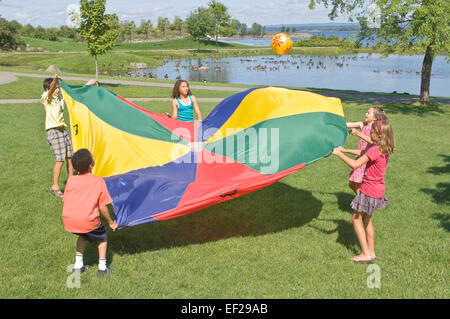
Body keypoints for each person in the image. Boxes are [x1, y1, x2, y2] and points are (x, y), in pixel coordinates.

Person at [332, 119, 395, 263]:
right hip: (378, 189)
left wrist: (338, 153)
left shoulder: (374, 149)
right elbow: (363, 152)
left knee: (355, 218)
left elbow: (355, 164)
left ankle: (365, 253)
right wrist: (346, 150)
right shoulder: (383, 148)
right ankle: (371, 253)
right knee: (366, 219)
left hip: (369, 189)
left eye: (372, 132)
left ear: (379, 135)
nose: (370, 134)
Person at [62, 148, 118, 276]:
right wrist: (110, 222)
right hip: (87, 220)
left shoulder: (71, 180)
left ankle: (78, 265)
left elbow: (65, 200)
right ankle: (103, 268)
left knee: (82, 236)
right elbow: (103, 207)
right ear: (91, 165)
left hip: (69, 220)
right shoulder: (98, 181)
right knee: (102, 238)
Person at [42, 74, 96, 197]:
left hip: (62, 130)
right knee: (60, 159)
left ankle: (71, 184)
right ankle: (55, 187)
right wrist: (55, 79)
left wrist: (87, 85)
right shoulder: (46, 98)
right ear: (48, 88)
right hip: (53, 131)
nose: (57, 89)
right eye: (55, 87)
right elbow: (50, 92)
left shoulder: (59, 99)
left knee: (70, 158)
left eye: (57, 87)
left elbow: (72, 94)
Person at [346, 107, 387, 194]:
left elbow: (372, 140)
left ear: (375, 118)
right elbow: (347, 124)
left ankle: (361, 202)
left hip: (367, 158)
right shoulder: (363, 125)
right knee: (351, 183)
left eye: (369, 113)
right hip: (359, 156)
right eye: (366, 112)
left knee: (357, 184)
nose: (366, 114)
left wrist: (358, 133)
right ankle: (361, 199)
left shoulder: (375, 129)